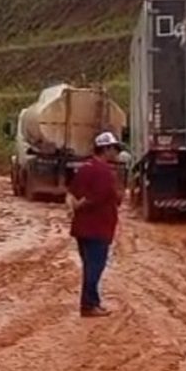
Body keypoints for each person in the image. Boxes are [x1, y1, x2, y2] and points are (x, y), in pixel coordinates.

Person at [66, 131, 124, 317]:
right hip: (98, 228)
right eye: (113, 148)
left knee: (89, 266)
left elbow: (72, 193)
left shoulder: (85, 168)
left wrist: (74, 207)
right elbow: (98, 197)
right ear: (105, 149)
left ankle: (92, 302)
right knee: (95, 268)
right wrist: (81, 205)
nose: (116, 152)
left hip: (82, 228)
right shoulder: (104, 172)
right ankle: (89, 305)